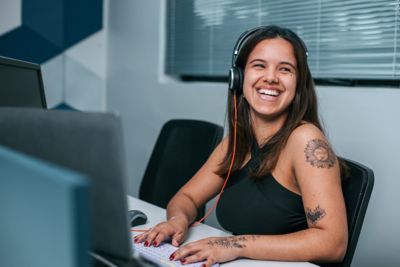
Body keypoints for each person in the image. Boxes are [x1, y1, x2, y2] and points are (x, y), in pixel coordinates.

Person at [134, 25, 348, 266]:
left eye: (285, 69)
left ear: (298, 84)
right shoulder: (238, 143)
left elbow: (333, 244)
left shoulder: (306, 140)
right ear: (238, 77)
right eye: (259, 65)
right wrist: (177, 220)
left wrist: (233, 245)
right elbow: (187, 197)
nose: (271, 78)